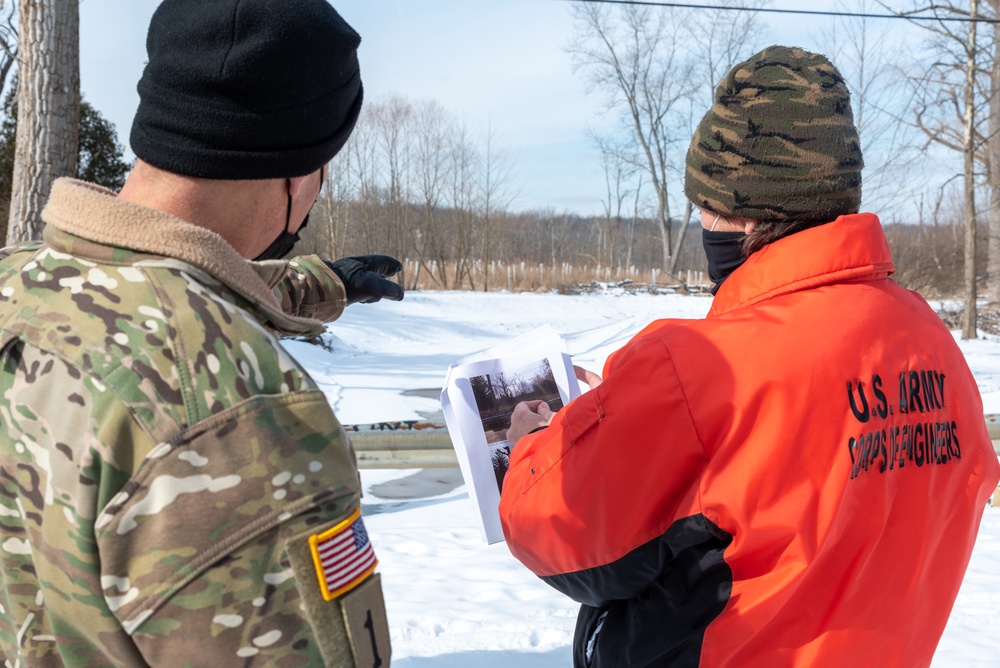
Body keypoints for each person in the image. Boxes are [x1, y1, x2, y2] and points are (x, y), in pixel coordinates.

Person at [499, 45, 1000, 667]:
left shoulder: (697, 365)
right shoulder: (932, 343)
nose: (702, 219)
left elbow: (552, 529)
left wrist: (537, 442)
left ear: (740, 210)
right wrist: (643, 413)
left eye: (705, 202)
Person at [0, 1, 400, 666]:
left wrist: (320, 282)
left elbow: (143, 294)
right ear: (305, 170)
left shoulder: (21, 284)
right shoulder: (239, 414)